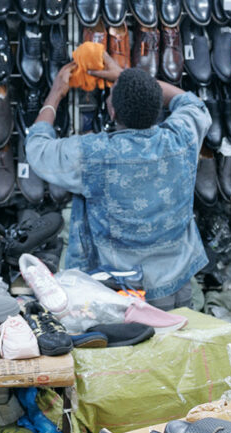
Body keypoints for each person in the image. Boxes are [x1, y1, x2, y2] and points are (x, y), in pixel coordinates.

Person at [25, 53, 212, 310]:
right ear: (157, 106)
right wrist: (126, 76)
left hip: (124, 289)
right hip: (178, 276)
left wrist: (56, 93)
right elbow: (191, 102)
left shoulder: (96, 154)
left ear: (112, 111)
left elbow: (37, 148)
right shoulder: (182, 137)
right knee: (178, 342)